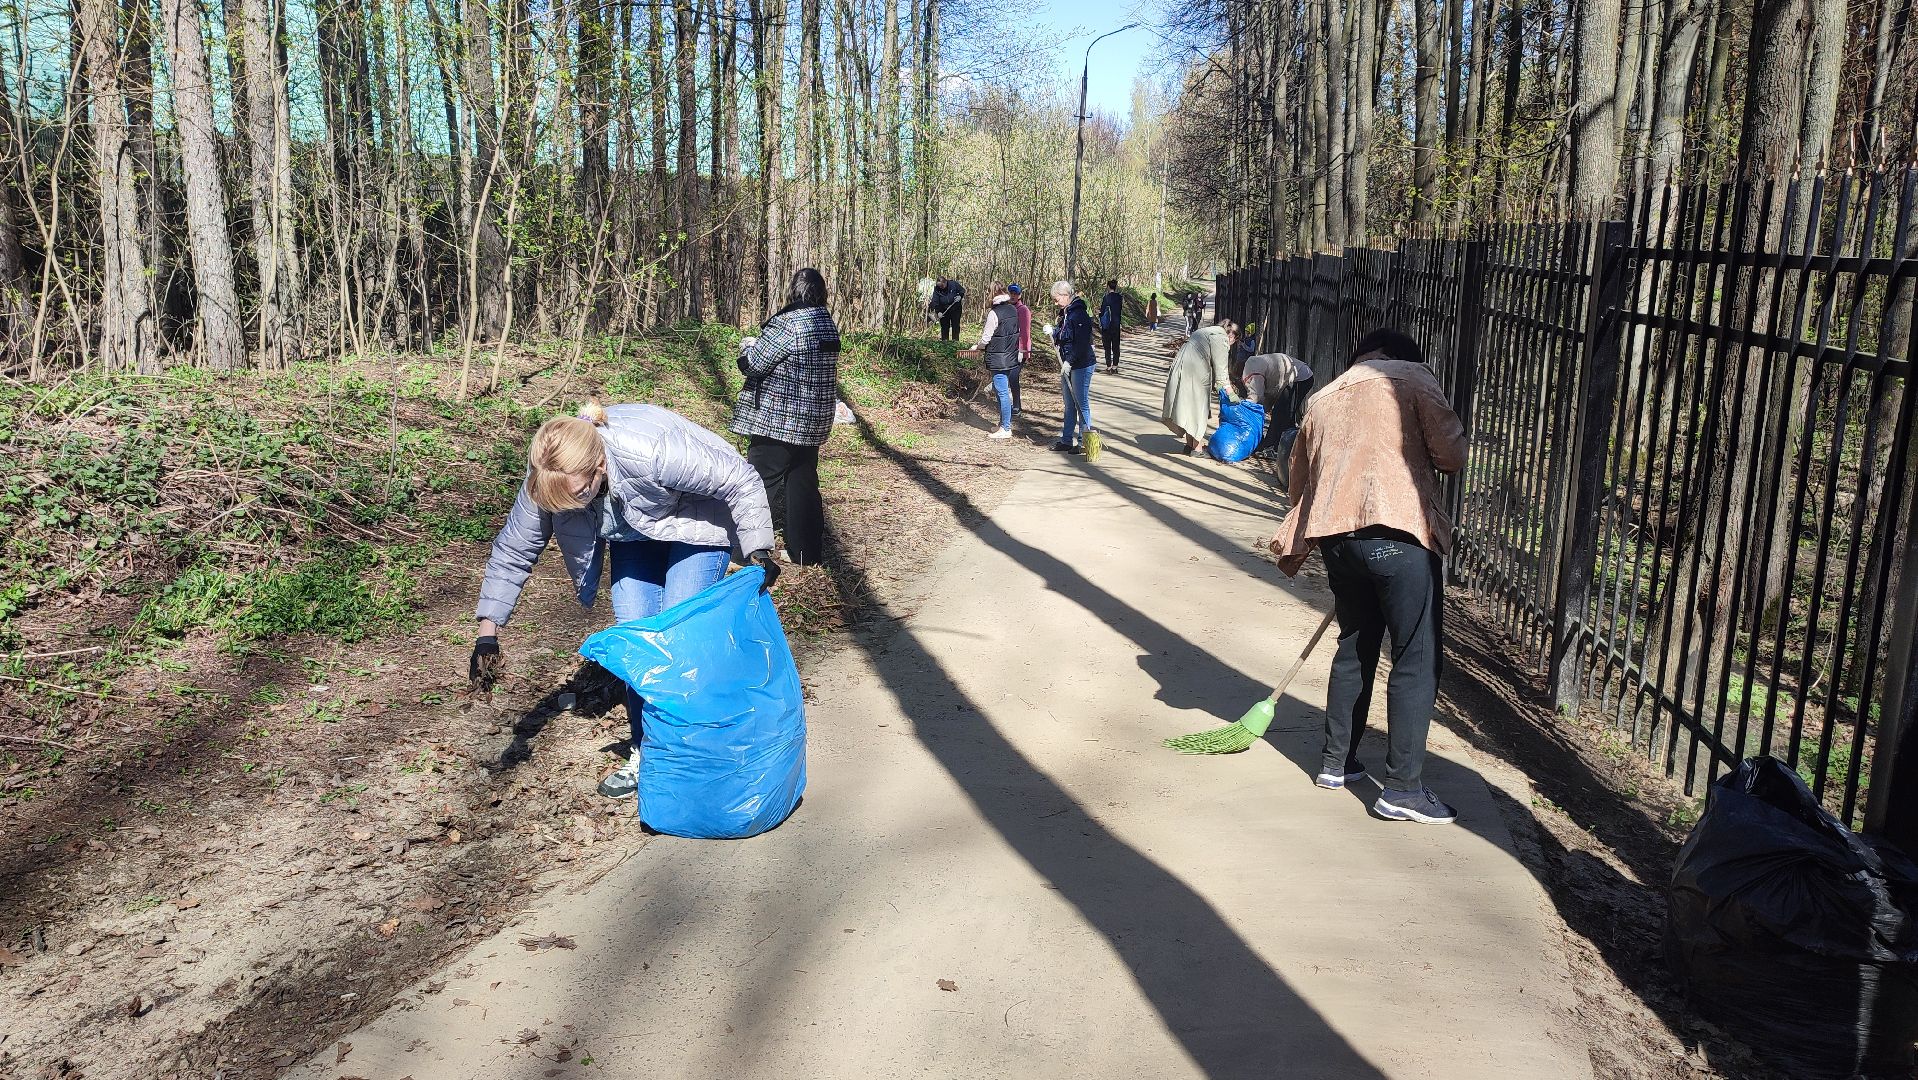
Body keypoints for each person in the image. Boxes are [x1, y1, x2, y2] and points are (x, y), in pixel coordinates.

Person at [471, 403, 780, 799]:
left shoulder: (648, 450)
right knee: (638, 637)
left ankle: (700, 753)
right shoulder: (548, 480)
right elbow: (515, 549)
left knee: (678, 635)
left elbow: (740, 477)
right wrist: (488, 633)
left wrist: (759, 550)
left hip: (698, 523)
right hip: (635, 535)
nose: (575, 506)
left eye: (581, 493)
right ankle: (647, 752)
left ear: (599, 465)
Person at [1268, 328, 1468, 825]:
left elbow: (1297, 484)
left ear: (1359, 357)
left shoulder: (1324, 396)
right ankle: (1401, 789)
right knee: (1415, 658)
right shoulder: (1414, 378)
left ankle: (1337, 763)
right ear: (1401, 357)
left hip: (1338, 541)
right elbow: (1452, 456)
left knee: (1355, 643)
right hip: (1399, 534)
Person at [733, 267, 841, 566]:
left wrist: (747, 346)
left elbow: (753, 364)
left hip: (779, 421)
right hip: (812, 420)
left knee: (757, 482)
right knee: (802, 483)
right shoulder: (827, 323)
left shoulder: (789, 324)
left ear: (793, 291)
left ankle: (743, 553)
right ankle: (805, 552)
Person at [1161, 319, 1237, 454]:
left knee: (1190, 408)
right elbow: (1221, 370)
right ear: (1231, 335)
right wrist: (1231, 392)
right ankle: (1197, 448)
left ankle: (1189, 445)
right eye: (1234, 340)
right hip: (1195, 372)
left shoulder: (1207, 331)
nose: (1232, 344)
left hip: (1183, 367)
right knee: (1198, 408)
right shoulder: (1220, 337)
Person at [960, 283, 1021, 440]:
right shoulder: (1013, 309)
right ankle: (1002, 425)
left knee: (1001, 392)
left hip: (998, 358)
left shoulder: (994, 313)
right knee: (1001, 390)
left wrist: (976, 347)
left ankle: (1006, 428)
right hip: (1010, 355)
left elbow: (986, 338)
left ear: (992, 295)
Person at [1048, 280, 1098, 453]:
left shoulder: (1079, 314)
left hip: (1082, 364)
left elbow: (1082, 342)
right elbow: (1064, 336)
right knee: (1069, 404)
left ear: (1065, 295)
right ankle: (1066, 440)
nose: (1056, 303)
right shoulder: (1066, 313)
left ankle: (1084, 441)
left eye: (1057, 299)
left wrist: (1070, 361)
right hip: (1066, 363)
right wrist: (1053, 332)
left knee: (1080, 403)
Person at [1234, 350, 1315, 455]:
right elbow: (1265, 397)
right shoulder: (1252, 364)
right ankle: (1279, 446)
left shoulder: (1251, 373)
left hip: (1301, 377)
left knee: (1283, 413)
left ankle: (1274, 446)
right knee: (1282, 413)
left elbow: (1256, 397)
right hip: (1289, 375)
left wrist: (1244, 412)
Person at [1009, 283, 1033, 413]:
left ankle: (1016, 406)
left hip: (1019, 349)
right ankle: (1013, 404)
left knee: (1013, 376)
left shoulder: (1023, 310)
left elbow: (1025, 331)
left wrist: (1022, 350)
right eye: (1011, 293)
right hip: (1009, 348)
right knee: (1010, 377)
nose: (1013, 296)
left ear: (1019, 295)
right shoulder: (1007, 308)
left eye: (1015, 294)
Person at [1098, 279, 1123, 372]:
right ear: (1116, 287)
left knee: (1107, 347)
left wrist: (1100, 314)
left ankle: (1108, 366)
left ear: (1108, 287)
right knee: (1116, 346)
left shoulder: (1106, 297)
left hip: (1107, 326)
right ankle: (1115, 366)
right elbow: (1119, 310)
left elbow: (1102, 312)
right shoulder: (1120, 298)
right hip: (1116, 325)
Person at [929, 277, 966, 342]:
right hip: (943, 309)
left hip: (955, 308)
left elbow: (962, 290)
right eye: (939, 286)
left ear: (945, 282)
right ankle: (945, 342)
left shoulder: (953, 284)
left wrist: (960, 296)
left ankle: (955, 341)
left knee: (955, 325)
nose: (941, 287)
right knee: (944, 326)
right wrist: (938, 312)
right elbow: (935, 301)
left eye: (942, 286)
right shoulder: (937, 289)